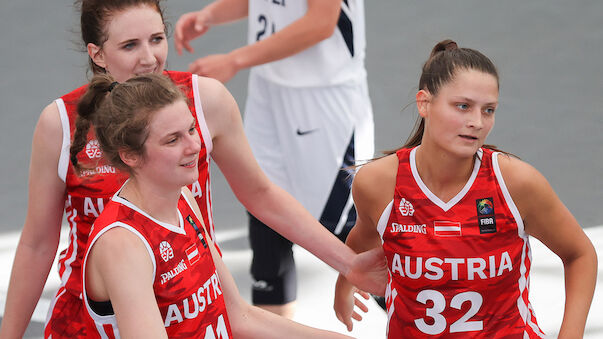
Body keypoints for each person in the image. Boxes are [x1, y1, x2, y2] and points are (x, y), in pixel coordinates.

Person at [0, 1, 385, 338]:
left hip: (193, 301)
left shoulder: (203, 103)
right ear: (97, 53)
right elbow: (37, 243)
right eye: (129, 45)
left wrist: (349, 263)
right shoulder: (62, 124)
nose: (149, 57)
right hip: (97, 322)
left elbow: (261, 195)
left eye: (156, 38)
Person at [333, 40, 597, 338]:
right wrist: (344, 283)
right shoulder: (380, 182)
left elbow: (579, 254)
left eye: (488, 110)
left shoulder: (516, 183)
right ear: (424, 103)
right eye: (463, 106)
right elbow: (361, 240)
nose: (477, 122)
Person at [76, 72, 355, 338]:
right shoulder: (123, 244)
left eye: (191, 129)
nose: (193, 146)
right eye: (173, 140)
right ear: (130, 156)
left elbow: (238, 317)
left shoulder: (183, 199)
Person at [174, 0, 376, 317]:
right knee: (266, 221)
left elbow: (322, 21)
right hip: (268, 87)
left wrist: (235, 59)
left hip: (321, 99)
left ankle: (431, 319)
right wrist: (210, 15)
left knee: (351, 236)